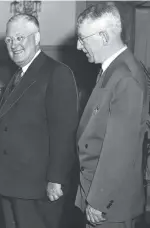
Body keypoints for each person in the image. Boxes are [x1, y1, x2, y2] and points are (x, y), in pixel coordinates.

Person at [0, 13, 79, 228]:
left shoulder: (57, 73)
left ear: (37, 38)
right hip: (11, 183)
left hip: (36, 187)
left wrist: (56, 179)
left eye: (20, 37)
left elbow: (64, 132)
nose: (14, 45)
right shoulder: (19, 75)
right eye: (9, 40)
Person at [75, 2, 149, 228]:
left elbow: (120, 149)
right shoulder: (115, 69)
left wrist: (99, 199)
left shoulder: (125, 77)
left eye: (83, 39)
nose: (79, 46)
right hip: (100, 191)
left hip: (109, 202)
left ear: (104, 37)